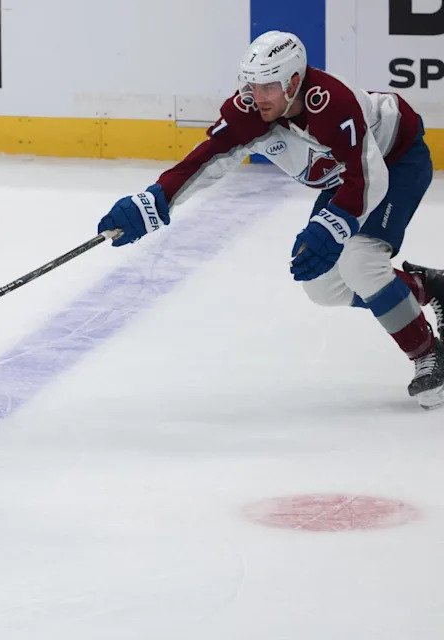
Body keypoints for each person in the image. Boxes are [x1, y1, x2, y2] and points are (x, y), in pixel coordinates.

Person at [97, 30, 444, 410]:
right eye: (251, 85)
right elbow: (209, 157)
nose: (256, 97)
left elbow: (368, 176)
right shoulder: (251, 110)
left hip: (396, 162)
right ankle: (427, 287)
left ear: (294, 82)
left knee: (360, 262)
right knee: (323, 286)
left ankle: (428, 353)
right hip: (351, 177)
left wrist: (337, 222)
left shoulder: (332, 104)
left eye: (268, 87)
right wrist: (154, 200)